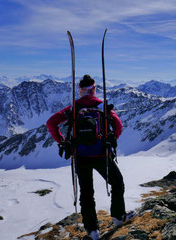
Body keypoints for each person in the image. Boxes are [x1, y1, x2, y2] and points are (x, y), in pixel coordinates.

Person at [46, 74, 135, 240]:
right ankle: (118, 217)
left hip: (80, 156)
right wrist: (111, 139)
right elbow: (118, 126)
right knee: (117, 182)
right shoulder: (102, 106)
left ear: (80, 91)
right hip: (101, 154)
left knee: (86, 193)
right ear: (94, 89)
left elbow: (51, 123)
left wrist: (63, 142)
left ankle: (92, 230)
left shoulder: (73, 108)